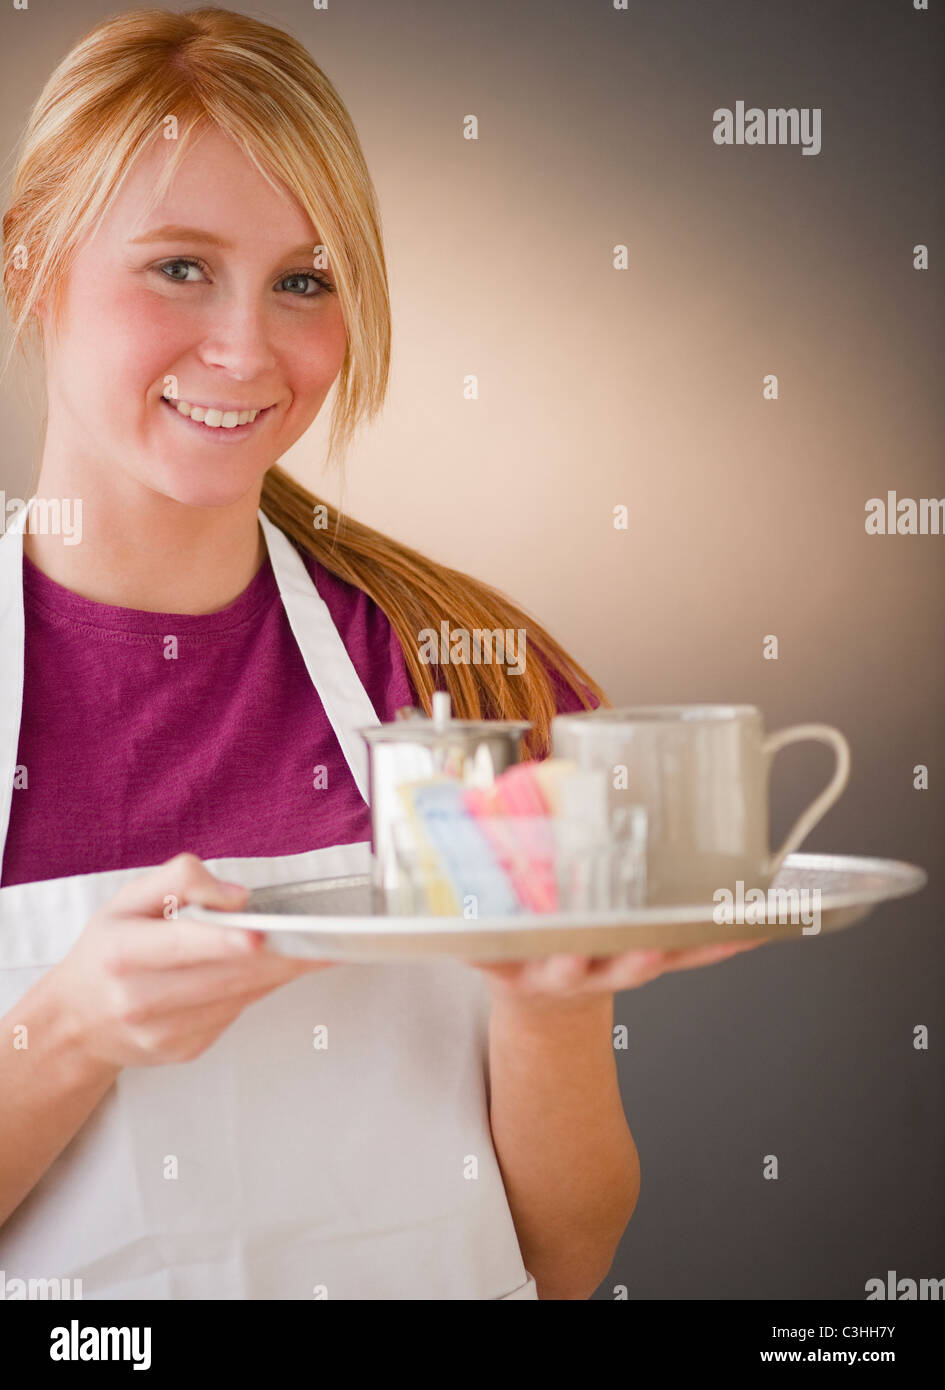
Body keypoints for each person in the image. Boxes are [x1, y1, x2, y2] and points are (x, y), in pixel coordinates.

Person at [0, 7, 762, 1301]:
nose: (247, 349)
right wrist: (63, 1031)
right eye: (180, 266)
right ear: (30, 266)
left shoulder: (468, 676)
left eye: (304, 279)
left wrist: (549, 997)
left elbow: (564, 1258)